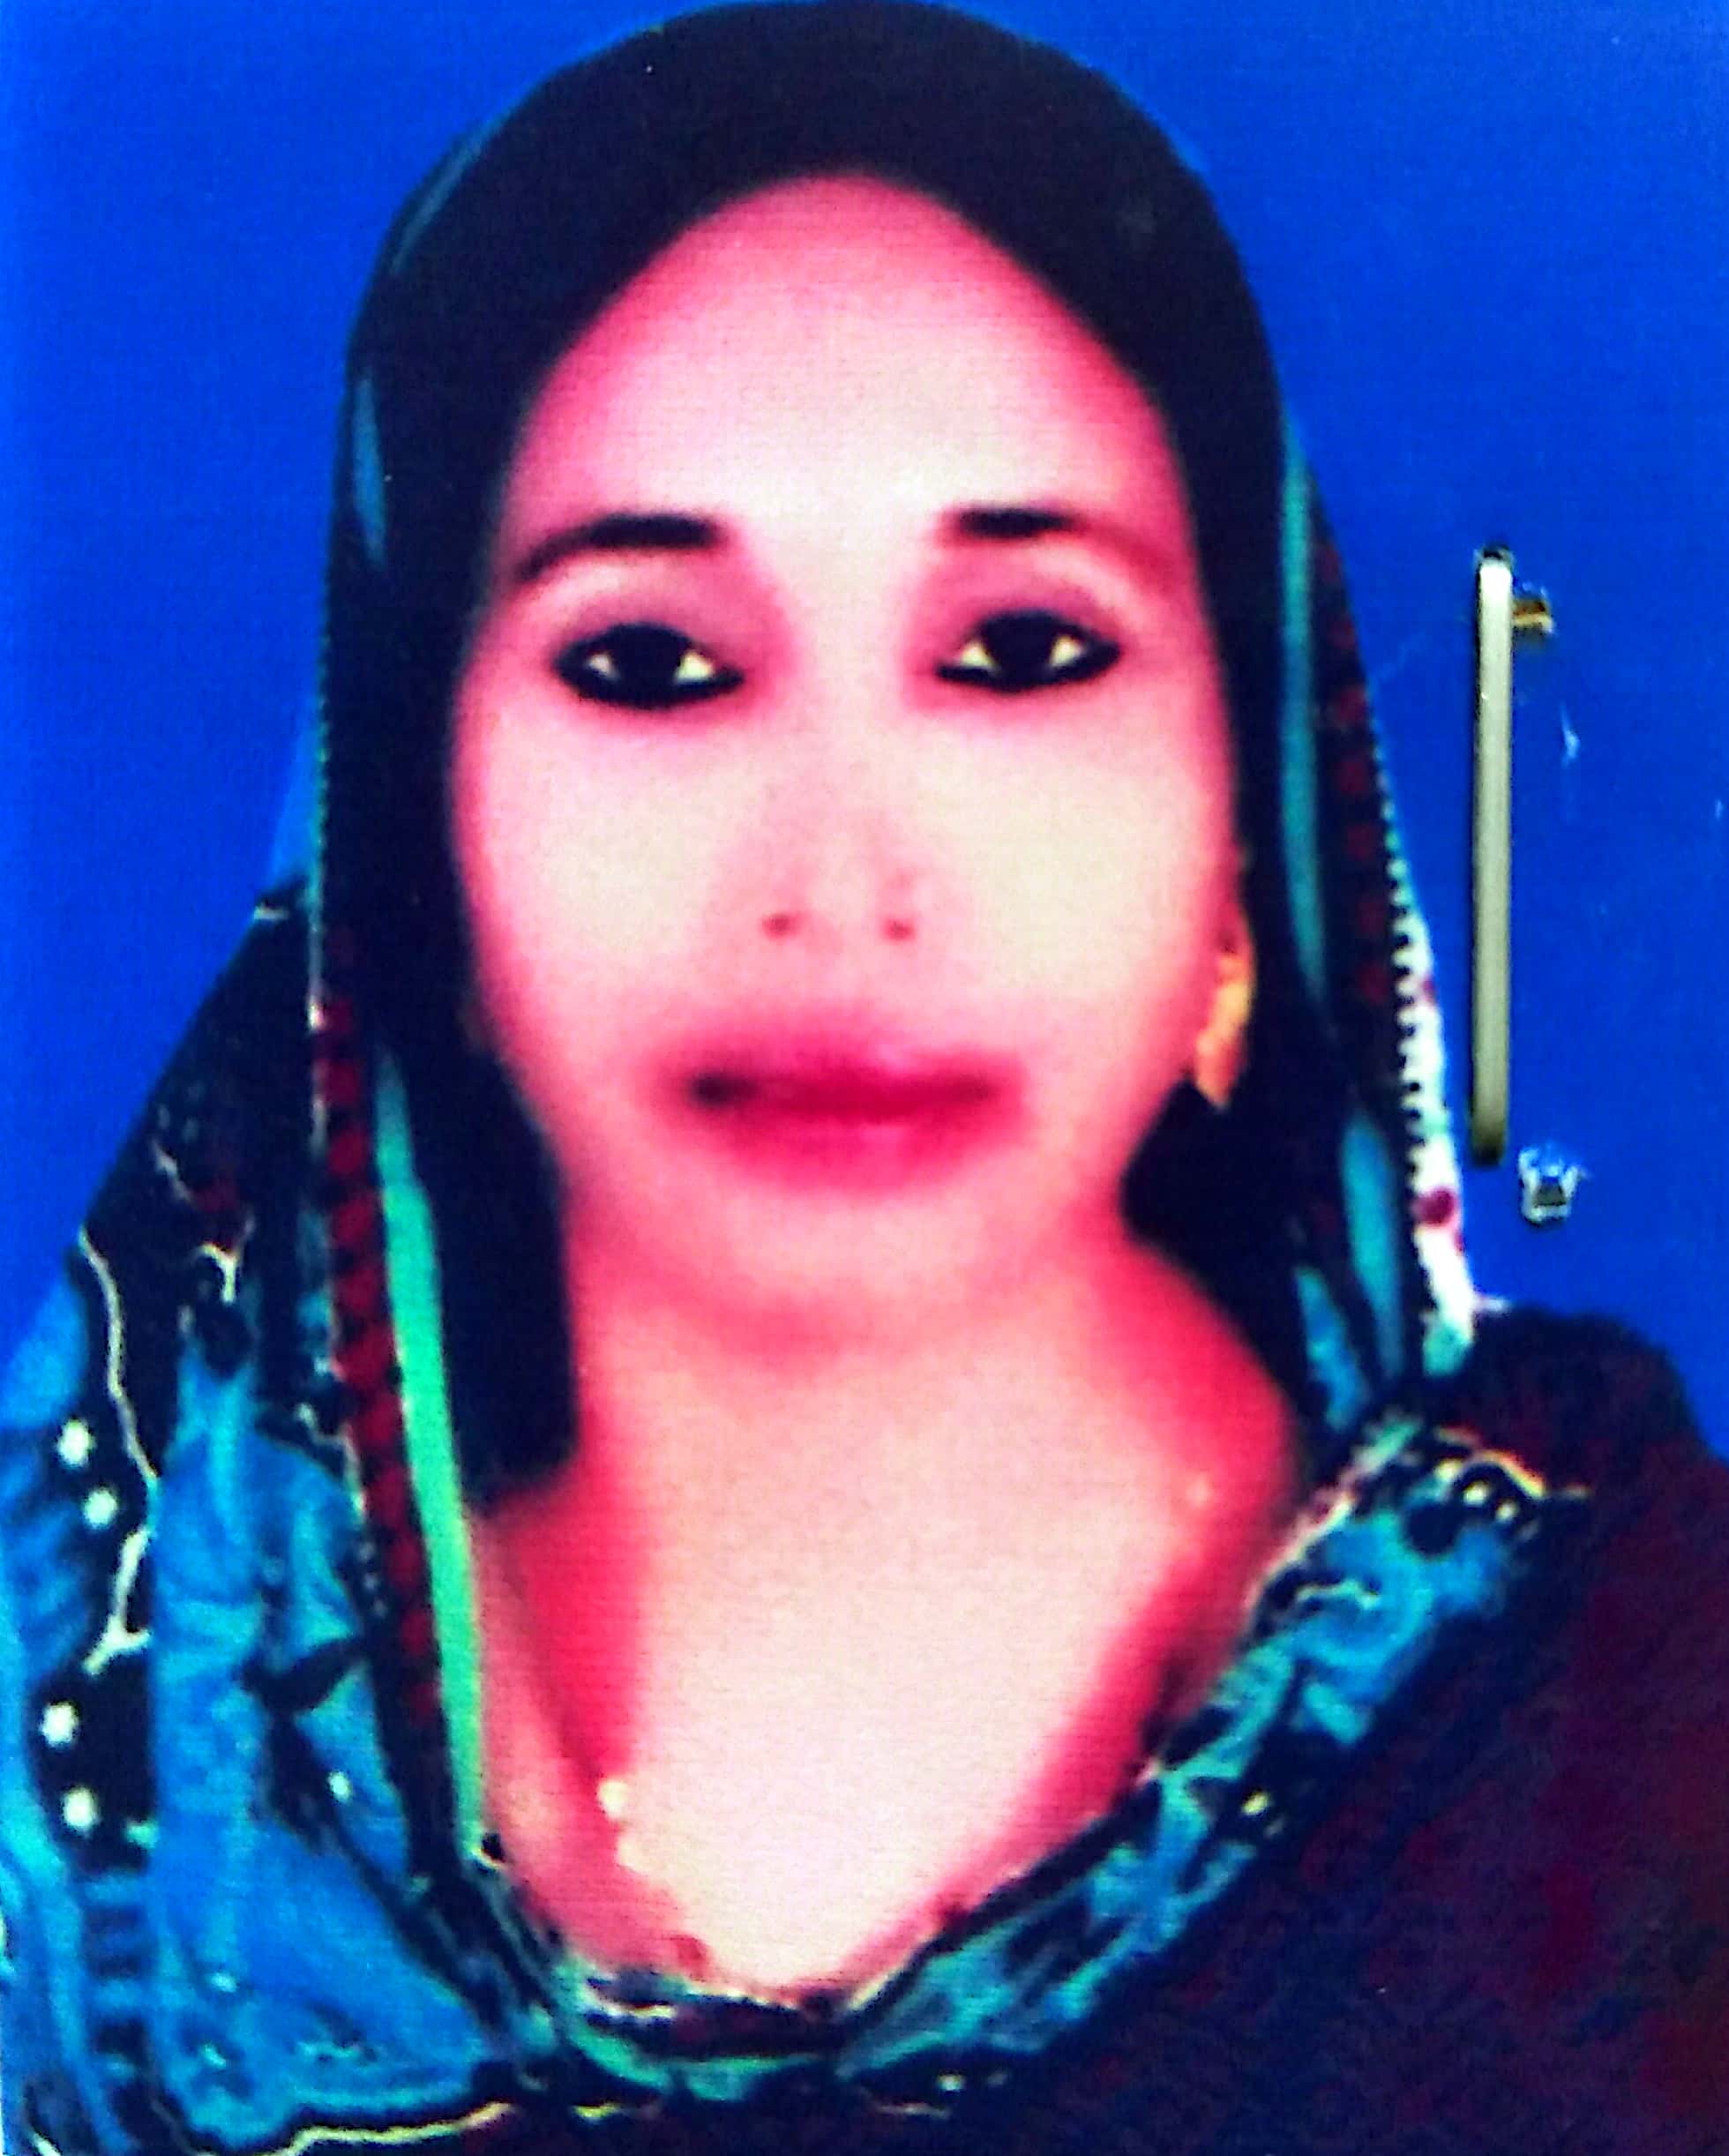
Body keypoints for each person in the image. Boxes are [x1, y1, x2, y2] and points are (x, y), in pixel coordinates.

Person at [1, 5, 1724, 2151]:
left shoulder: (1617, 1755)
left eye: (1017, 648)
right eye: (650, 662)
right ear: (411, 862)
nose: (841, 875)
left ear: (1241, 852)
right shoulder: (116, 1841)